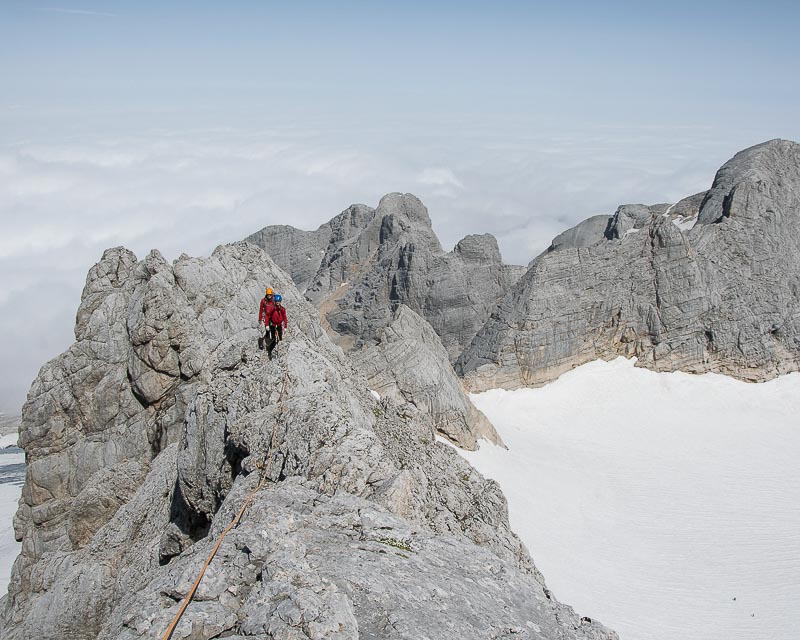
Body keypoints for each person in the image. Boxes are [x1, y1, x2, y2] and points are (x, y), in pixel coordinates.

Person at [266, 294, 288, 359]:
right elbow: (267, 316)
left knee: (280, 338)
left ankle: (279, 350)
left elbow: (284, 318)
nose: (278, 303)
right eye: (276, 301)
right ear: (274, 302)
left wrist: (285, 326)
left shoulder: (282, 309)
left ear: (280, 301)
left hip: (279, 325)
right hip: (273, 325)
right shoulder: (272, 309)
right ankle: (270, 351)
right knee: (273, 339)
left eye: (279, 301)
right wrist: (267, 325)